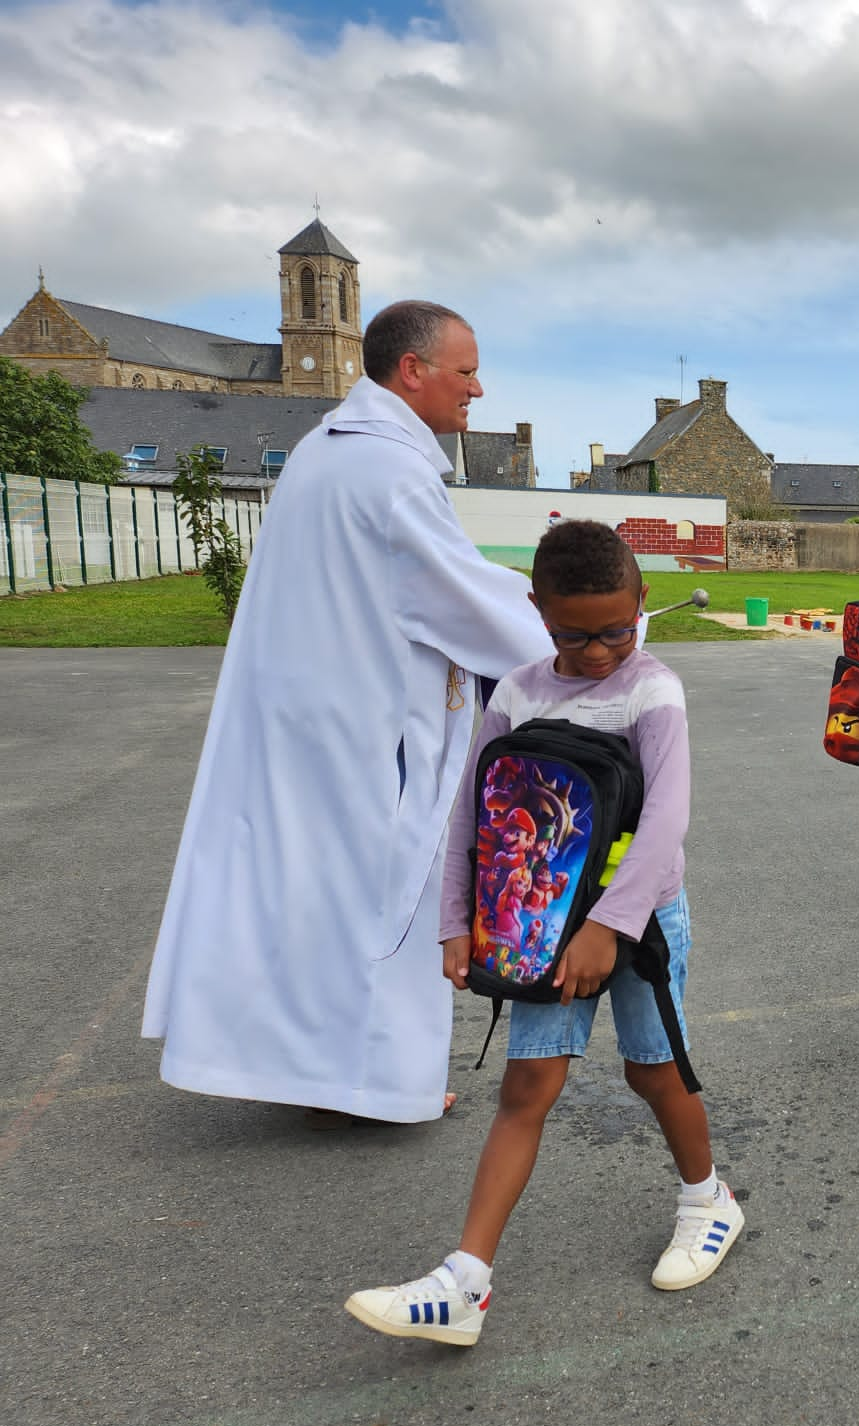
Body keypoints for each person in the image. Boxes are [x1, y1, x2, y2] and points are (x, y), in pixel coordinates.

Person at [141, 300, 549, 1125]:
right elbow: (460, 597)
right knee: (382, 897)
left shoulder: (328, 453)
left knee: (306, 897)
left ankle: (313, 1072)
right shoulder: (389, 473)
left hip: (308, 722)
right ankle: (372, 1083)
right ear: (413, 372)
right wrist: (582, 634)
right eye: (465, 371)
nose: (478, 388)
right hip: (365, 735)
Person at [344, 522, 736, 1346]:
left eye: (617, 630)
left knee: (654, 1073)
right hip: (540, 923)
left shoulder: (653, 691)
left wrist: (609, 927)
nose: (598, 653)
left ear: (639, 603)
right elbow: (473, 814)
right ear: (537, 612)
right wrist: (460, 921)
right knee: (526, 1090)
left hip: (641, 924)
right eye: (572, 635)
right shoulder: (516, 693)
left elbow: (666, 820)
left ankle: (709, 1202)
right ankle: (464, 1284)